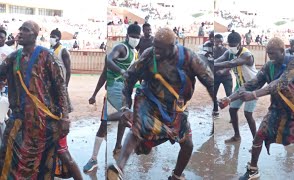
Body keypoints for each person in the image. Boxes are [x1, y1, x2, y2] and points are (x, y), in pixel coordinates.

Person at [106, 27, 215, 180]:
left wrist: (216, 104)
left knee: (187, 144)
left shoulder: (189, 58)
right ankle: (118, 169)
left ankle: (176, 176)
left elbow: (209, 81)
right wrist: (125, 107)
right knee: (137, 128)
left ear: (172, 47)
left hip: (175, 108)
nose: (155, 50)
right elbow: (129, 78)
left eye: (160, 48)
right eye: (154, 45)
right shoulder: (149, 54)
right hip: (149, 100)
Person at [219, 37, 294, 180]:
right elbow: (252, 84)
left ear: (282, 51)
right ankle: (253, 170)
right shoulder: (269, 66)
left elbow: (278, 84)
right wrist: (230, 98)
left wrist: (253, 95)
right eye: (268, 53)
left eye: (273, 53)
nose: (270, 56)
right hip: (278, 110)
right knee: (259, 135)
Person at [0, 20, 81, 179]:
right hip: (19, 119)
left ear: (35, 35)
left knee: (44, 162)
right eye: (21, 29)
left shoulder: (47, 56)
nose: (21, 32)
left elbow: (60, 88)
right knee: (6, 152)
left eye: (26, 30)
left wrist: (65, 118)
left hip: (43, 123)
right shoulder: (13, 57)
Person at [83, 23, 141, 173]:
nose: (135, 39)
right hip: (114, 88)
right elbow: (107, 63)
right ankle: (94, 158)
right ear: (127, 36)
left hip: (126, 90)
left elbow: (135, 73)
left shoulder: (135, 52)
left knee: (124, 117)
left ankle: (118, 146)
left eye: (137, 37)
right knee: (106, 123)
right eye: (133, 36)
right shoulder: (121, 48)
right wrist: (94, 94)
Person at [49, 28, 83, 179]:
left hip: (60, 94)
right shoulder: (50, 51)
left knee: (62, 149)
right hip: (53, 95)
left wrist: (65, 88)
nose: (51, 38)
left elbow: (68, 71)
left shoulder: (63, 51)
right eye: (50, 36)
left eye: (54, 37)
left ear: (59, 38)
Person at [213, 30, 258, 143]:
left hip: (252, 86)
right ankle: (237, 136)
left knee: (248, 114)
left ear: (240, 43)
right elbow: (219, 60)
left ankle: (256, 141)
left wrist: (213, 65)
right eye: (230, 45)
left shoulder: (247, 55)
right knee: (232, 110)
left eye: (234, 45)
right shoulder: (229, 53)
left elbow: (231, 64)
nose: (231, 47)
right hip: (240, 85)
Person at [211, 34, 232, 119]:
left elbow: (231, 64)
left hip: (226, 76)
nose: (219, 43)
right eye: (217, 41)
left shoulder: (227, 51)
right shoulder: (212, 51)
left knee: (229, 95)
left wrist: (223, 71)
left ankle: (232, 114)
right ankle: (215, 111)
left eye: (221, 41)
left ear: (223, 41)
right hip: (215, 77)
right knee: (213, 94)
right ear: (214, 42)